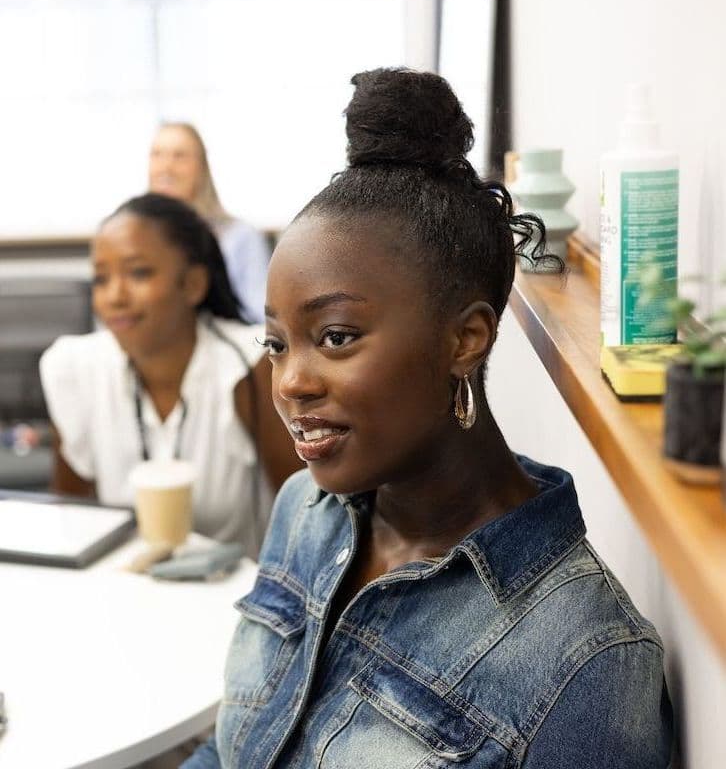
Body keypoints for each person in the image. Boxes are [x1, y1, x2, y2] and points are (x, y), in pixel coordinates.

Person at [183, 69, 674, 768]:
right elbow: (234, 748)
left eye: (336, 338)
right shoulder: (306, 510)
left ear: (465, 339)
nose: (290, 382)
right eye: (276, 343)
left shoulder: (584, 658)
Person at [40, 193, 300, 556]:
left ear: (193, 284)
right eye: (100, 279)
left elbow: (308, 520)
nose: (114, 296)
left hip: (232, 594)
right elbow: (72, 523)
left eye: (138, 273)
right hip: (123, 590)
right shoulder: (76, 369)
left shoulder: (248, 368)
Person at [148, 121, 270, 323]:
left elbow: (261, 319)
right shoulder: (134, 240)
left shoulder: (241, 237)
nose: (166, 167)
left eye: (179, 156)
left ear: (202, 167)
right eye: (157, 155)